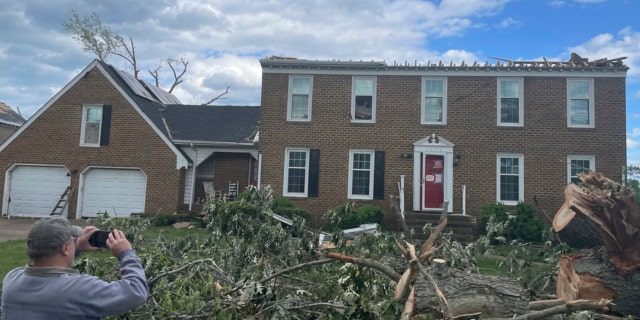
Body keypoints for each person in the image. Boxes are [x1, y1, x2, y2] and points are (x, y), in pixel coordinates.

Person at [1, 217, 148, 319]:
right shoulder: (80, 289)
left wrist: (75, 248)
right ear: (65, 248)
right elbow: (136, 291)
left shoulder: (12, 280)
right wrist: (126, 254)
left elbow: (42, 262)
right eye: (72, 240)